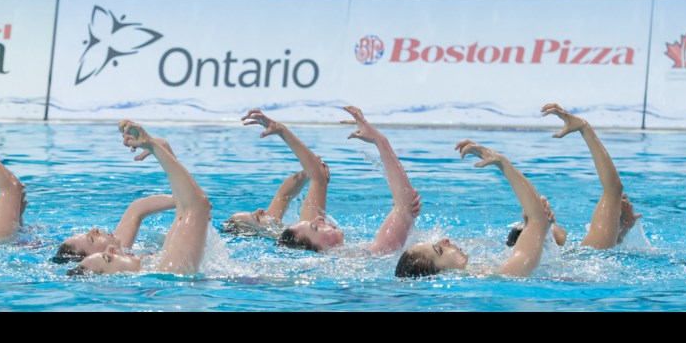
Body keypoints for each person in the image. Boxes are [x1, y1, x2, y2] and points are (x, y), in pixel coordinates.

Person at [240, 107, 421, 254]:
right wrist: (379, 141)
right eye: (315, 228)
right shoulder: (361, 259)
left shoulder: (304, 236)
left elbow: (314, 179)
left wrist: (282, 130)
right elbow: (405, 208)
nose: (319, 218)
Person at [70, 121, 212, 275]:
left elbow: (183, 211)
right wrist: (152, 145)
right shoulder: (170, 271)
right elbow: (198, 205)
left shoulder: (161, 266)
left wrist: (160, 148)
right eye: (108, 259)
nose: (111, 249)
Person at [395, 140, 552, 278]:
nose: (445, 240)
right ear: (442, 273)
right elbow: (539, 220)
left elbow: (537, 221)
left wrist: (530, 225)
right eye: (439, 250)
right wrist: (502, 163)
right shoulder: (507, 274)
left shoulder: (487, 275)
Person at [541, 103, 641, 249]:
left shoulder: (575, 258)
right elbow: (613, 189)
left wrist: (622, 231)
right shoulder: (584, 258)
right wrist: (584, 128)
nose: (550, 215)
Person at [52, 194, 175, 262]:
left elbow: (136, 208)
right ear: (96, 257)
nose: (94, 230)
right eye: (91, 239)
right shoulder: (143, 268)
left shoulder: (119, 249)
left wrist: (179, 200)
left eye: (86, 233)